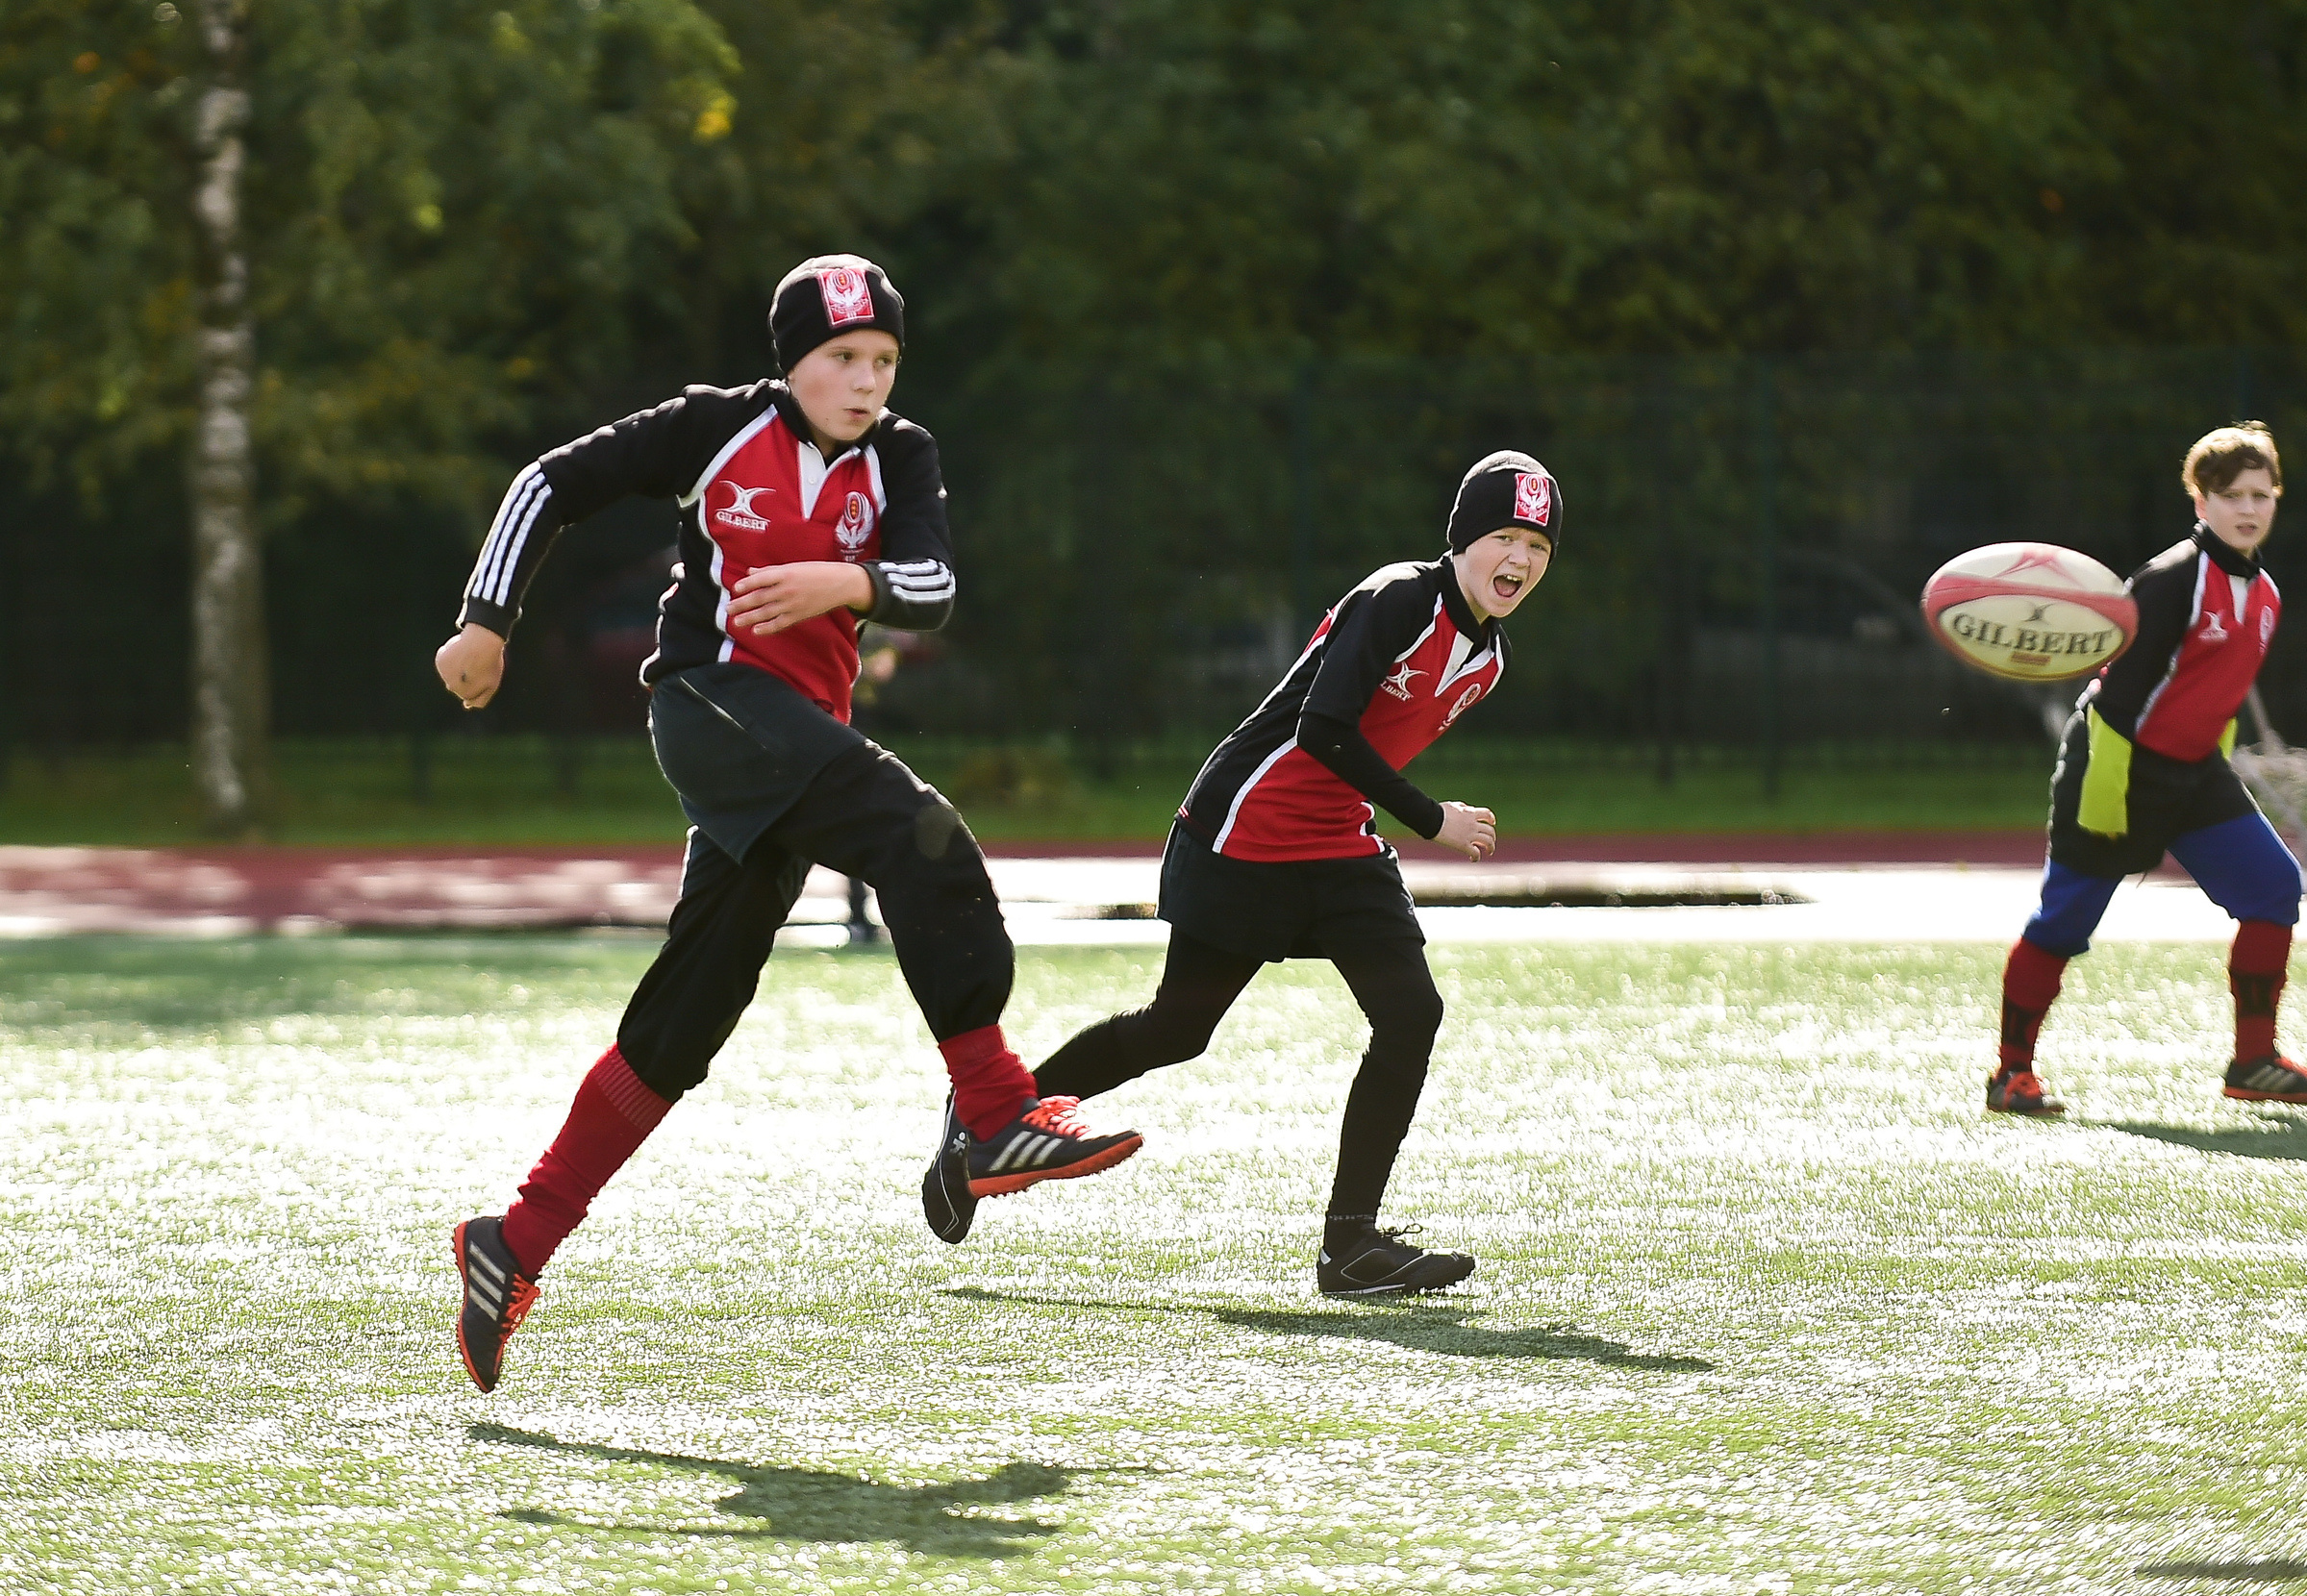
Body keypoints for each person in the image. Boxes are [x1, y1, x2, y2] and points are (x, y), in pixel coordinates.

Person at [434, 256, 1141, 1392]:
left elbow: (932, 583)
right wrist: (485, 621)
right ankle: (995, 1110)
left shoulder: (901, 455)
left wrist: (840, 584)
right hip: (709, 707)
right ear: (791, 363)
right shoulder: (713, 427)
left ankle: (514, 1240)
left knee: (683, 1025)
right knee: (928, 842)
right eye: (841, 359)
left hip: (787, 746)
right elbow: (546, 484)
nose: (865, 382)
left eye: (883, 361)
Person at [924, 451, 1558, 1294]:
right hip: (1245, 832)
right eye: (1505, 537)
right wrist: (1432, 816)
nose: (1519, 560)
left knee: (1412, 1012)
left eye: (1539, 548)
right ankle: (987, 1118)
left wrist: (1390, 816)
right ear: (1464, 538)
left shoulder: (1491, 660)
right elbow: (1325, 730)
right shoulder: (1400, 597)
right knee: (1177, 1030)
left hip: (1339, 845)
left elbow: (1357, 761)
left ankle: (1350, 1247)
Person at [1987, 421, 2307, 1115]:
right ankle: (2011, 1075)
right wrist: (2107, 797)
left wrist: (2210, 767)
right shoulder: (2172, 579)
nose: (2248, 508)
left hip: (2193, 771)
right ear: (2200, 502)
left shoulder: (2264, 593)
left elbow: (2217, 696)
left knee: (2274, 887)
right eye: (2231, 494)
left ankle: (2254, 1061)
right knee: (2064, 923)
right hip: (2114, 766)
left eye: (2261, 495)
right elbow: (2115, 703)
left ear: (2275, 500)